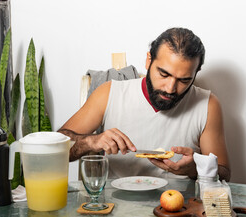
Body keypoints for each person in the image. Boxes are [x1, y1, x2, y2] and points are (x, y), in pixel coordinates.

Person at [58, 27, 230, 181]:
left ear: (195, 73)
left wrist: (195, 169)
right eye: (163, 74)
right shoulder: (109, 93)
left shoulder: (208, 104)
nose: (170, 89)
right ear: (149, 60)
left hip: (179, 210)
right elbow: (56, 148)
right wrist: (91, 142)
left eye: (184, 80)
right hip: (116, 208)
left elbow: (224, 172)